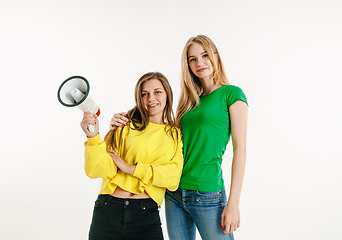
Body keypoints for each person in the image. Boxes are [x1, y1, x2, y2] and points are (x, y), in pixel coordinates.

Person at [110, 35, 248, 240]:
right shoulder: (189, 102)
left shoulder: (232, 94)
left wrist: (234, 202)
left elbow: (241, 150)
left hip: (207, 193)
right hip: (174, 193)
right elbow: (160, 135)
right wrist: (124, 119)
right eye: (192, 59)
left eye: (204, 55)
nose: (199, 63)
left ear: (216, 56)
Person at [80, 72, 183, 240]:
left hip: (146, 216)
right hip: (108, 210)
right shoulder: (125, 125)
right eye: (145, 94)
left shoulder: (175, 134)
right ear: (138, 98)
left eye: (157, 92)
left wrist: (131, 169)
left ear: (167, 95)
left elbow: (172, 179)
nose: (151, 98)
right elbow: (95, 170)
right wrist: (93, 137)